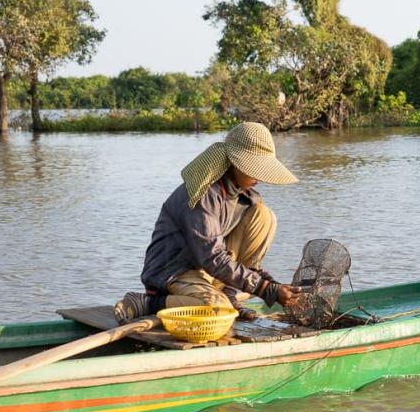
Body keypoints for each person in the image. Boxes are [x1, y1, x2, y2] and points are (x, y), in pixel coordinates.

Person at [114, 122, 303, 323]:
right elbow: (213, 257)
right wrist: (265, 289)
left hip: (210, 274)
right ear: (235, 163)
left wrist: (273, 286)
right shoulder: (204, 194)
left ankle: (229, 296)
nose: (259, 177)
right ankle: (148, 302)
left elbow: (245, 263)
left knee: (265, 216)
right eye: (254, 168)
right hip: (174, 273)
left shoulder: (245, 197)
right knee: (216, 309)